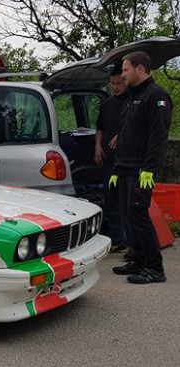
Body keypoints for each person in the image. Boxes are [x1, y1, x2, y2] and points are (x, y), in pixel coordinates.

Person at [110, 51, 173, 284]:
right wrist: (117, 168)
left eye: (126, 70)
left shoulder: (157, 96)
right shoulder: (130, 98)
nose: (123, 74)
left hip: (141, 171)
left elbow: (158, 138)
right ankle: (137, 259)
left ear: (140, 68)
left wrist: (149, 169)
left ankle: (155, 268)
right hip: (125, 168)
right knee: (128, 216)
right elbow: (126, 136)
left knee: (139, 217)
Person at [94, 66, 129, 254]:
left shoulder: (132, 101)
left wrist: (121, 135)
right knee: (111, 199)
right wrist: (97, 146)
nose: (116, 87)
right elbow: (99, 127)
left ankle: (131, 241)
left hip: (126, 159)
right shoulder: (107, 104)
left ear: (125, 80)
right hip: (108, 159)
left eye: (119, 83)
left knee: (127, 201)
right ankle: (117, 239)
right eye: (113, 84)